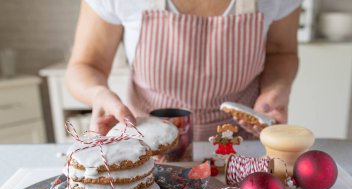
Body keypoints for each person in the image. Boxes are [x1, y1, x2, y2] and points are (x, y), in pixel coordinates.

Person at [65, 0, 302, 140]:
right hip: (148, 147)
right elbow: (86, 65)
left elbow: (281, 52)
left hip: (239, 145)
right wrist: (99, 94)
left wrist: (275, 91)